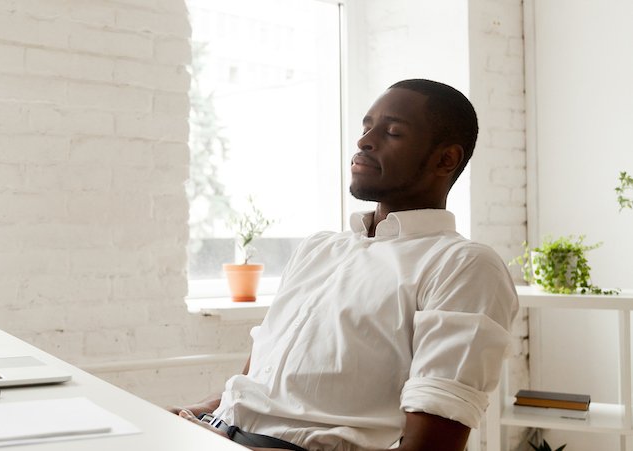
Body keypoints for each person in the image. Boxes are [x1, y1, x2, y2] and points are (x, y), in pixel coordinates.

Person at [171, 79, 519, 451]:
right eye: (366, 126)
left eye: (393, 132)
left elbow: (430, 446)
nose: (364, 141)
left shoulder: (464, 266)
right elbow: (257, 377)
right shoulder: (319, 248)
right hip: (217, 433)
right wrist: (197, 414)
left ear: (445, 159)